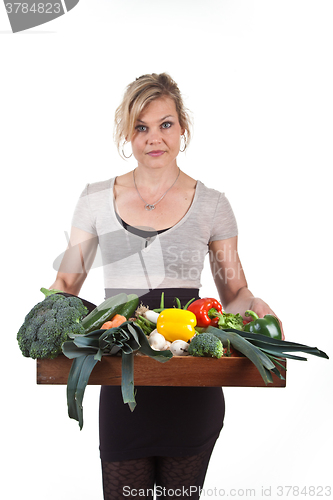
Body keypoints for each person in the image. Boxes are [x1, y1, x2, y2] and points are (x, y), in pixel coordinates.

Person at [50, 73, 283, 500]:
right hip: (122, 378)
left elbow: (234, 293)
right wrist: (45, 318)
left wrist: (257, 305)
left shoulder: (213, 204)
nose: (154, 138)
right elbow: (67, 280)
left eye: (166, 124)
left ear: (183, 128)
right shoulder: (96, 199)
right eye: (141, 127)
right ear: (127, 133)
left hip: (190, 376)